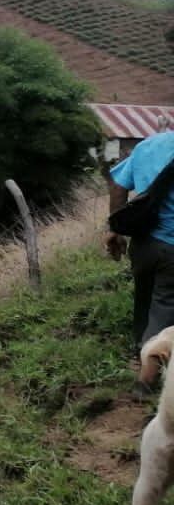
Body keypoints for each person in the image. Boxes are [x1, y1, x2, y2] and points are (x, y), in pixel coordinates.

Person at [108, 128, 174, 346]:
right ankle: (148, 370)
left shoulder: (147, 145)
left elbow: (118, 185)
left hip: (143, 243)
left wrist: (115, 230)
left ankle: (139, 349)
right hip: (171, 246)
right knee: (164, 306)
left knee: (143, 299)